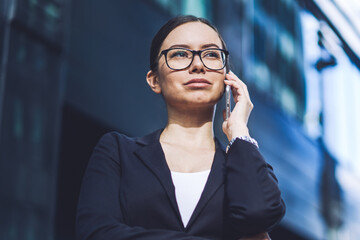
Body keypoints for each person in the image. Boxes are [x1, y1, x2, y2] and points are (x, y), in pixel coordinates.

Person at [76, 15, 285, 240]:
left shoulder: (244, 165)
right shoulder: (118, 152)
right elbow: (95, 233)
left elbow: (259, 215)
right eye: (180, 54)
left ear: (227, 77)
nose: (197, 65)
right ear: (154, 80)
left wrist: (239, 131)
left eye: (212, 54)